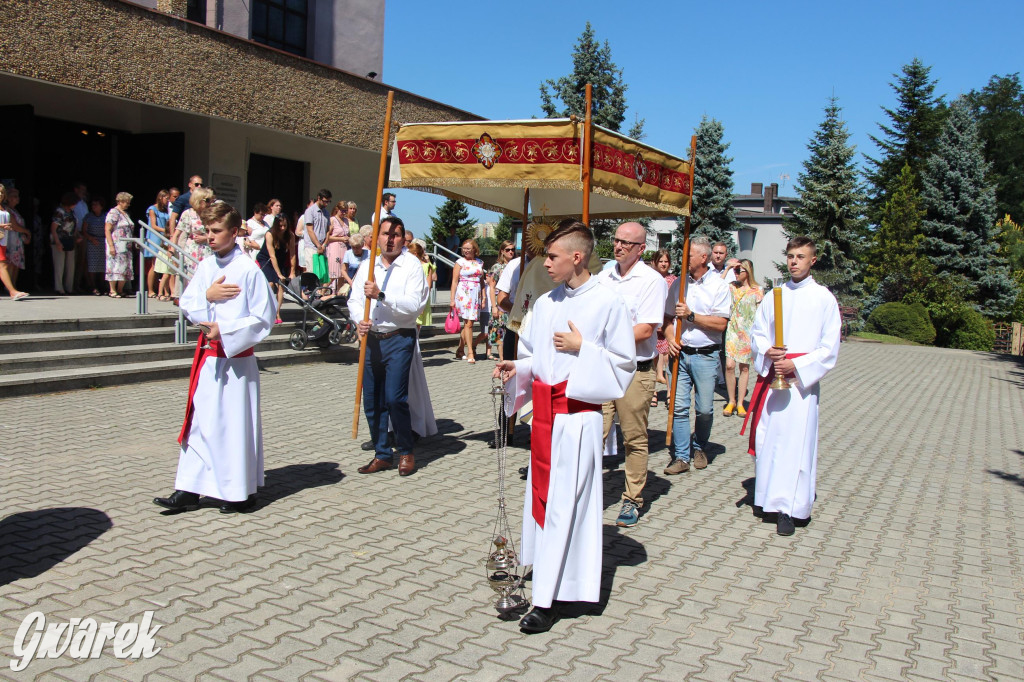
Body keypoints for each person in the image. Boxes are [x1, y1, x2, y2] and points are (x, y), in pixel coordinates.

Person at [492, 219, 635, 634]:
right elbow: (538, 358)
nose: (545, 263)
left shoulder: (607, 302)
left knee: (564, 507)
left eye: (552, 256)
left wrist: (583, 349)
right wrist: (515, 367)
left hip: (578, 419)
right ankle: (546, 576)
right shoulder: (547, 302)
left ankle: (550, 600)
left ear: (577, 256)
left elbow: (623, 366)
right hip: (546, 418)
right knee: (542, 503)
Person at [153, 202, 276, 514]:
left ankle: (241, 492)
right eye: (207, 230)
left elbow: (264, 318)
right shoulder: (207, 266)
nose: (209, 236)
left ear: (234, 232)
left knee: (234, 426)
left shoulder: (248, 269)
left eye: (216, 231)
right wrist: (205, 297)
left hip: (236, 362)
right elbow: (188, 301)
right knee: (202, 423)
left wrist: (226, 329)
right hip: (208, 359)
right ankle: (190, 489)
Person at [744, 236, 841, 536]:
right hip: (773, 378)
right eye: (790, 256)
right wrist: (768, 352)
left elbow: (829, 347)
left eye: (800, 256)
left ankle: (791, 507)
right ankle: (766, 499)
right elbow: (757, 333)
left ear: (813, 260)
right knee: (769, 439)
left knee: (795, 444)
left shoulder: (823, 298)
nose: (793, 261)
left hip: (800, 386)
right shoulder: (775, 295)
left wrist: (796, 366)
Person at [596, 223, 669, 527]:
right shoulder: (604, 275)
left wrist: (598, 337)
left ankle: (632, 500)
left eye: (627, 242)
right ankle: (581, 494)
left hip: (634, 371)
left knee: (634, 438)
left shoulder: (652, 280)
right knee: (591, 433)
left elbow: (645, 329)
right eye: (616, 240)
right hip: (601, 368)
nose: (619, 246)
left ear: (641, 249)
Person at [348, 217, 429, 477]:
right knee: (372, 400)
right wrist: (359, 319)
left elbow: (414, 306)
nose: (390, 239)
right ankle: (382, 453)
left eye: (395, 234)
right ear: (378, 237)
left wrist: (381, 295)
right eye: (385, 234)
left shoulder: (412, 265)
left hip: (399, 337)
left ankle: (405, 450)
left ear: (403, 238)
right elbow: (354, 299)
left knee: (395, 398)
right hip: (371, 339)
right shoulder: (367, 265)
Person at [662, 237, 731, 475]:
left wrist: (691, 316)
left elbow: (720, 324)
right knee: (679, 407)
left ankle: (700, 445)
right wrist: (670, 338)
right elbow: (667, 319)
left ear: (704, 257)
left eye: (688, 255)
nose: (684, 259)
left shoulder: (719, 286)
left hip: (706, 356)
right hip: (680, 355)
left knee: (704, 409)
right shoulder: (679, 284)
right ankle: (681, 456)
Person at [723, 259, 764, 417]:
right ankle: (731, 400)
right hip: (733, 330)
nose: (736, 273)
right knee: (729, 365)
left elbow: (760, 314)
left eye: (739, 270)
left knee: (744, 367)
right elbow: (717, 287)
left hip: (748, 331)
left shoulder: (757, 290)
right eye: (735, 270)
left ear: (747, 271)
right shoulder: (732, 287)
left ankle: (740, 403)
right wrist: (728, 268)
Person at [255, 213, 296, 322]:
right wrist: (278, 273)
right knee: (271, 283)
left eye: (285, 226)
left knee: (281, 285)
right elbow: (272, 256)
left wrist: (292, 271)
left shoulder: (290, 235)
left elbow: (292, 254)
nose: (282, 228)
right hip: (267, 259)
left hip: (280, 259)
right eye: (280, 226)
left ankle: (277, 313)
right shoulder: (270, 234)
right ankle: (267, 310)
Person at [450, 239, 485, 363]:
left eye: (468, 248)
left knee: (469, 324)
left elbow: (482, 281)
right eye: (464, 248)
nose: (465, 251)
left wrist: (483, 297)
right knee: (468, 324)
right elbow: (454, 281)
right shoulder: (460, 262)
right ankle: (470, 352)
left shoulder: (480, 262)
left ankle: (460, 349)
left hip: (475, 294)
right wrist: (452, 299)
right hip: (464, 293)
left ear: (474, 249)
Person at [651, 250, 677, 404]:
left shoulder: (673, 280)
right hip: (654, 323)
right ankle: (653, 391)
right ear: (655, 262)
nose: (663, 264)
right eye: (660, 261)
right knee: (653, 358)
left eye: (666, 261)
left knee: (668, 357)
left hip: (668, 322)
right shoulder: (651, 279)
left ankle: (669, 391)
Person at [0, 184, 30, 300]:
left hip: (3, 240)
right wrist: (1, 225)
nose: (0, 195)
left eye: (2, 193)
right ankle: (13, 291)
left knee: (3, 265)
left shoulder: (3, 207)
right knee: (3, 265)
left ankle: (12, 291)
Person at [487, 241, 515, 360]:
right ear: (502, 251)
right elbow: (492, 287)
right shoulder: (497, 267)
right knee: (499, 333)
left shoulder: (516, 265)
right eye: (508, 249)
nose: (511, 252)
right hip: (500, 304)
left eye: (513, 249)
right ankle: (503, 359)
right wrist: (494, 306)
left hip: (512, 303)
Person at [104, 192, 135, 298]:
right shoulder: (114, 212)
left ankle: (120, 289)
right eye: (126, 202)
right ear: (120, 201)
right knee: (114, 266)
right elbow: (107, 229)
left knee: (124, 267)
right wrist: (111, 245)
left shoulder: (125, 213)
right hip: (116, 244)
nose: (128, 204)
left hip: (126, 246)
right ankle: (112, 290)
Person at [50, 192, 80, 294]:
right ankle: (59, 287)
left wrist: (77, 236)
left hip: (69, 239)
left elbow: (73, 226)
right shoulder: (60, 212)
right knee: (59, 264)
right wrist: (57, 242)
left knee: (70, 265)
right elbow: (53, 228)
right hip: (59, 239)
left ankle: (69, 287)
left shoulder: (72, 212)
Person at [146, 190, 171, 297]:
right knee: (154, 264)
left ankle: (164, 290)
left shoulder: (166, 210)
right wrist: (166, 231)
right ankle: (151, 290)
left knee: (164, 264)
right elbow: (153, 225)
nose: (168, 200)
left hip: (164, 238)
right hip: (155, 237)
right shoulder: (153, 209)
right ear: (161, 197)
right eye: (166, 198)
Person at [82, 198, 107, 295]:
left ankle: (102, 285)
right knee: (92, 265)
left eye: (96, 204)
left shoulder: (106, 216)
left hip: (103, 241)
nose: (94, 206)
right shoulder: (88, 217)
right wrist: (91, 238)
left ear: (101, 206)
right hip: (92, 241)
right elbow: (84, 230)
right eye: (93, 204)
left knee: (103, 264)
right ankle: (93, 286)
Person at [302, 189, 331, 275]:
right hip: (312, 247)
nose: (326, 204)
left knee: (322, 274)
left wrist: (324, 245)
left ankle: (320, 289)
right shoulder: (310, 211)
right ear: (319, 198)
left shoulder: (326, 213)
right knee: (312, 274)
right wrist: (318, 246)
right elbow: (310, 230)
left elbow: (328, 230)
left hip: (323, 247)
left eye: (328, 202)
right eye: (325, 201)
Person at [408, 241, 436, 327]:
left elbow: (428, 286)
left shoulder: (426, 266)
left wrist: (421, 305)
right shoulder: (409, 265)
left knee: (416, 325)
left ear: (415, 254)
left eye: (410, 253)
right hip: (410, 297)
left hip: (420, 298)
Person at [325, 201, 350, 294]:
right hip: (334, 247)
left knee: (342, 274)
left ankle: (338, 295)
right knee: (333, 273)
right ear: (337, 209)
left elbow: (347, 233)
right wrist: (340, 238)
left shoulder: (346, 220)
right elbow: (328, 237)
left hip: (344, 248)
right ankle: (321, 292)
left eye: (345, 211)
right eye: (342, 211)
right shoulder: (332, 220)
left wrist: (348, 238)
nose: (344, 213)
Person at [340, 231, 370, 295]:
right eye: (353, 247)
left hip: (364, 283)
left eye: (358, 247)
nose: (355, 250)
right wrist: (350, 282)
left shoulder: (369, 253)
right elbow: (343, 270)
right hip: (352, 283)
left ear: (362, 245)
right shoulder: (348, 253)